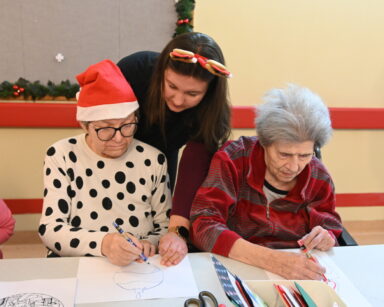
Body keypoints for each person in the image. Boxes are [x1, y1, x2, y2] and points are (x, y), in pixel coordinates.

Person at [190, 84, 343, 280]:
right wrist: (272, 260)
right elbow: (204, 224)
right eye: (284, 154)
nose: (294, 166)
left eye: (304, 155)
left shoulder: (318, 175)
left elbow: (330, 223)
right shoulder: (233, 160)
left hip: (297, 269)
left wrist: (326, 236)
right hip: (239, 267)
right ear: (264, 142)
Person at [38, 60, 171, 266]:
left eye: (127, 125)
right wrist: (106, 244)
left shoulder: (154, 159)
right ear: (84, 125)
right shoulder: (61, 154)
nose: (119, 138)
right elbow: (50, 229)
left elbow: (165, 226)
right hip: (78, 263)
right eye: (106, 129)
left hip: (138, 265)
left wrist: (147, 243)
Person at [117, 32, 232, 265]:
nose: (178, 100)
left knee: (157, 221)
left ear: (209, 92)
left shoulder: (212, 114)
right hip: (117, 152)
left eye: (192, 94)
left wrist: (177, 233)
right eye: (172, 86)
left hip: (163, 158)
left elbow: (192, 170)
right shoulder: (135, 69)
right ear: (161, 71)